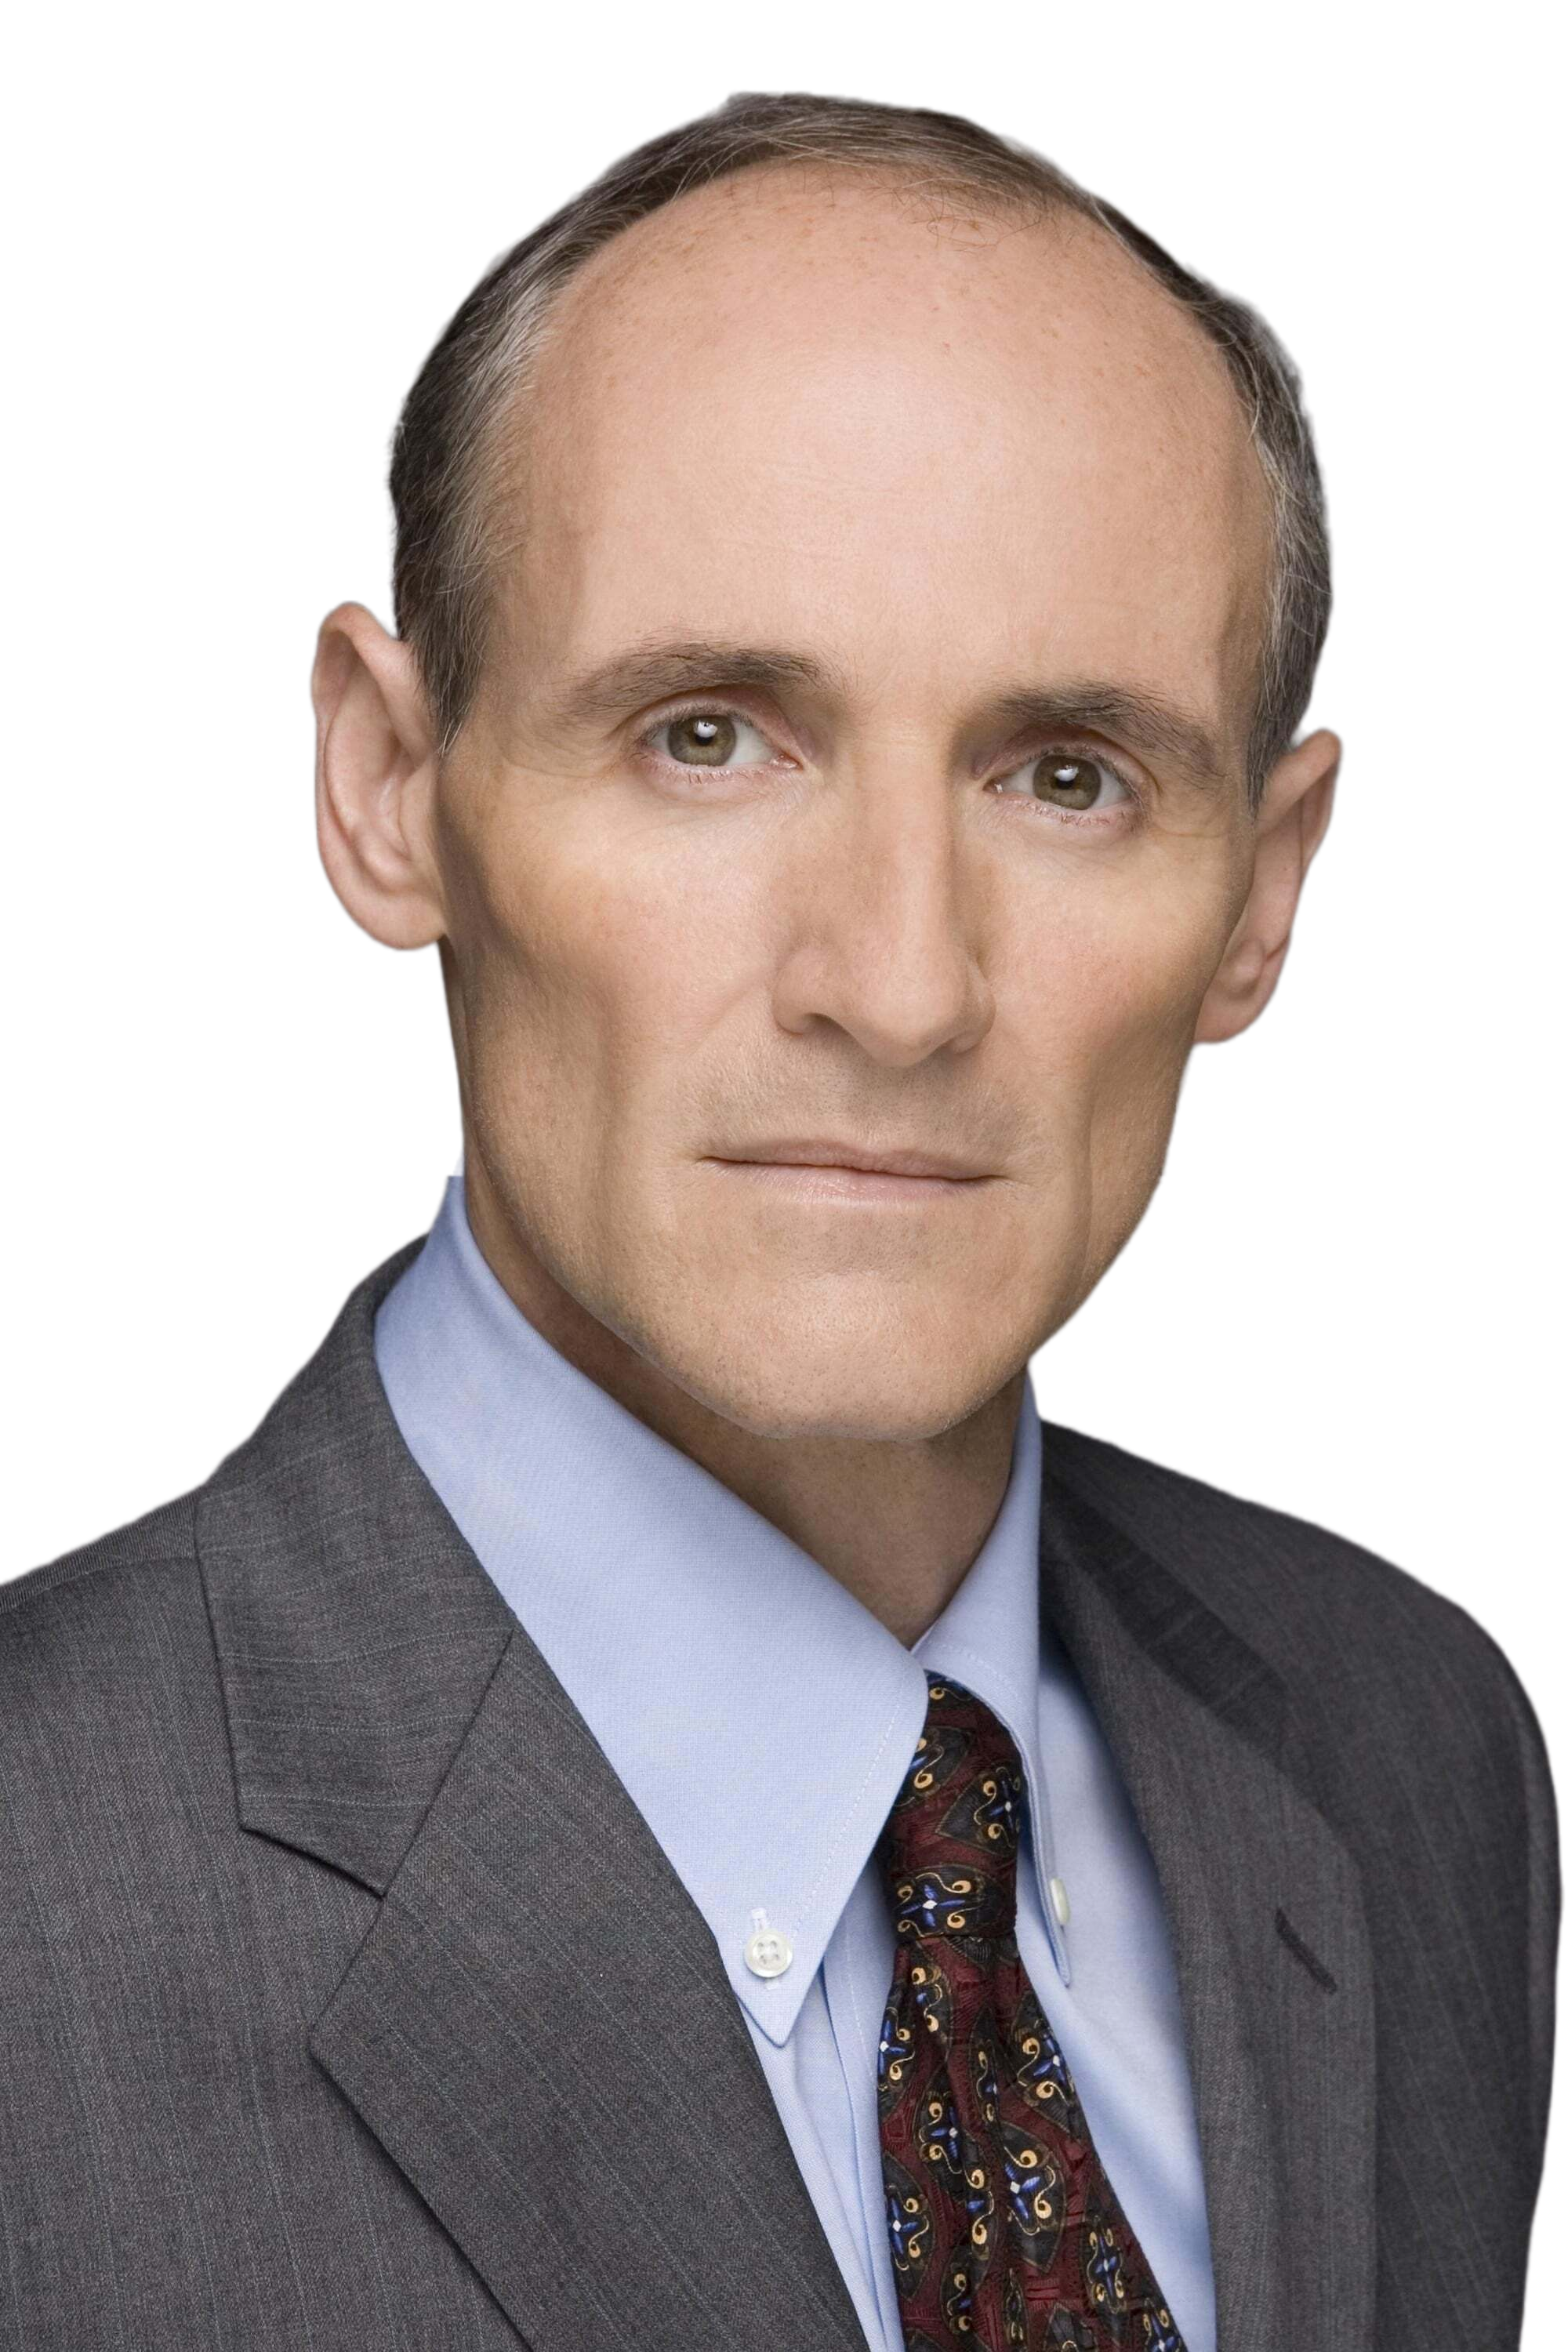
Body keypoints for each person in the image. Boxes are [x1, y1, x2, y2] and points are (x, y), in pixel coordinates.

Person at [2, 88, 1555, 2352]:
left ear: (1263, 891)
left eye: (1068, 777)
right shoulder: (32, 1882)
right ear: (389, 783)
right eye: (709, 735)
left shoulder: (1408, 1733)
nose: (900, 986)